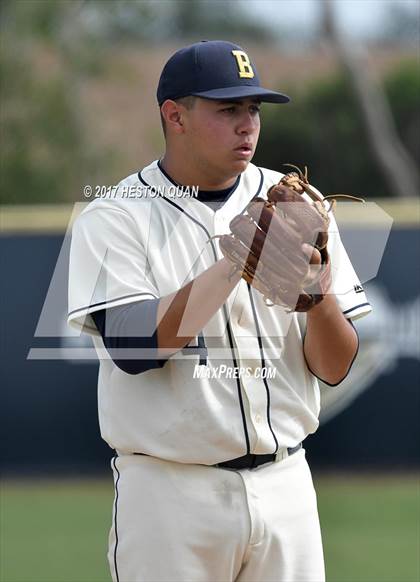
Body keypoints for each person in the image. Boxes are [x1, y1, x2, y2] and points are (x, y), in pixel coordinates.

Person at [68, 40, 371, 582]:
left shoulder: (300, 204)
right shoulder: (115, 216)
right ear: (174, 116)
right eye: (227, 109)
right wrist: (240, 257)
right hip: (169, 497)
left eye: (253, 109)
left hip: (286, 488)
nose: (247, 125)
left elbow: (333, 366)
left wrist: (317, 296)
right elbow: (138, 349)